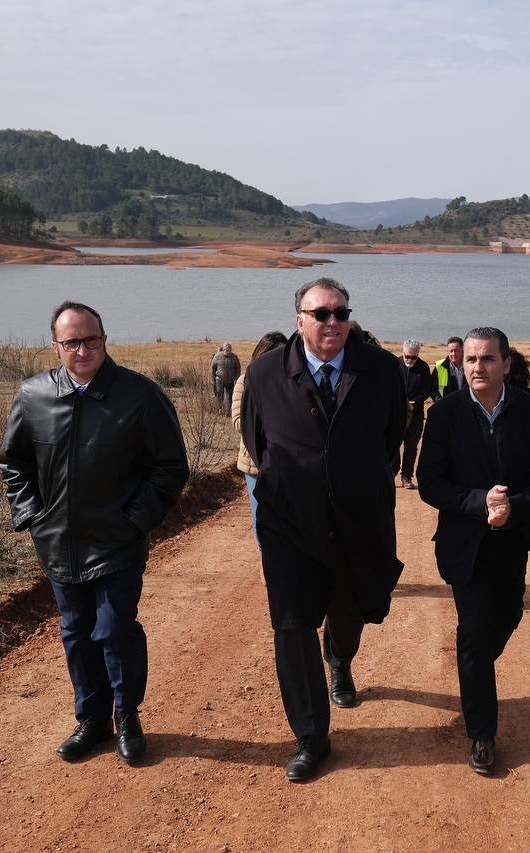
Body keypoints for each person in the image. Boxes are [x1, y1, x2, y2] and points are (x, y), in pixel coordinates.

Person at [0, 301, 189, 765]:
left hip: (117, 542)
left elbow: (170, 468)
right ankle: (92, 719)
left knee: (115, 629)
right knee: (76, 631)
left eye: (91, 339)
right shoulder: (33, 395)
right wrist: (32, 515)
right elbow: (13, 463)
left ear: (104, 340)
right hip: (58, 543)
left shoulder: (139, 395)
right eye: (72, 342)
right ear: (55, 346)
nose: (82, 349)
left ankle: (127, 716)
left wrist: (135, 520)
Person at [240, 277, 407, 782]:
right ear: (300, 320)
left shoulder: (379, 370)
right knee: (291, 626)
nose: (333, 322)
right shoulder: (266, 373)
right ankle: (311, 737)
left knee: (350, 608)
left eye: (341, 313)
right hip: (289, 523)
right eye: (322, 314)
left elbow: (391, 437)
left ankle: (340, 656)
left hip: (359, 521)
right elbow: (256, 438)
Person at [417, 327, 530, 775]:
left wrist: (512, 506)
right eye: (472, 360)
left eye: (487, 359)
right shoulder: (443, 414)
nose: (478, 367)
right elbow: (430, 483)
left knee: (510, 613)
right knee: (476, 630)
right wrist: (480, 503)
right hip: (465, 545)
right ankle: (482, 733)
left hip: (513, 539)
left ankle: (472, 667)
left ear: (505, 365)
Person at [230, 331, 289, 543]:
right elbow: (238, 419)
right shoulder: (245, 381)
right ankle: (268, 567)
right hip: (254, 463)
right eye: (273, 353)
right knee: (259, 517)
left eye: (283, 353)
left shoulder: (293, 381)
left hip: (288, 463)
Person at [398, 338, 436, 489]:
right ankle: (390, 472)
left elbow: (427, 389)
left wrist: (417, 402)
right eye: (407, 356)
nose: (410, 360)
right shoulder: (395, 364)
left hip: (416, 413)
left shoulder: (423, 367)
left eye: (414, 357)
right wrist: (402, 402)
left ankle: (406, 476)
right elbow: (390, 386)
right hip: (398, 412)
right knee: (394, 444)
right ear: (403, 353)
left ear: (418, 354)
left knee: (411, 446)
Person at [212, 343, 242, 416]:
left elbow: (238, 368)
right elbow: (213, 368)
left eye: (230, 350)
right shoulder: (217, 356)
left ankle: (227, 413)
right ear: (223, 349)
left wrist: (237, 379)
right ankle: (218, 411)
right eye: (227, 350)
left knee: (229, 396)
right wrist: (212, 379)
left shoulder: (234, 357)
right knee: (219, 394)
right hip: (219, 379)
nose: (228, 351)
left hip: (230, 380)